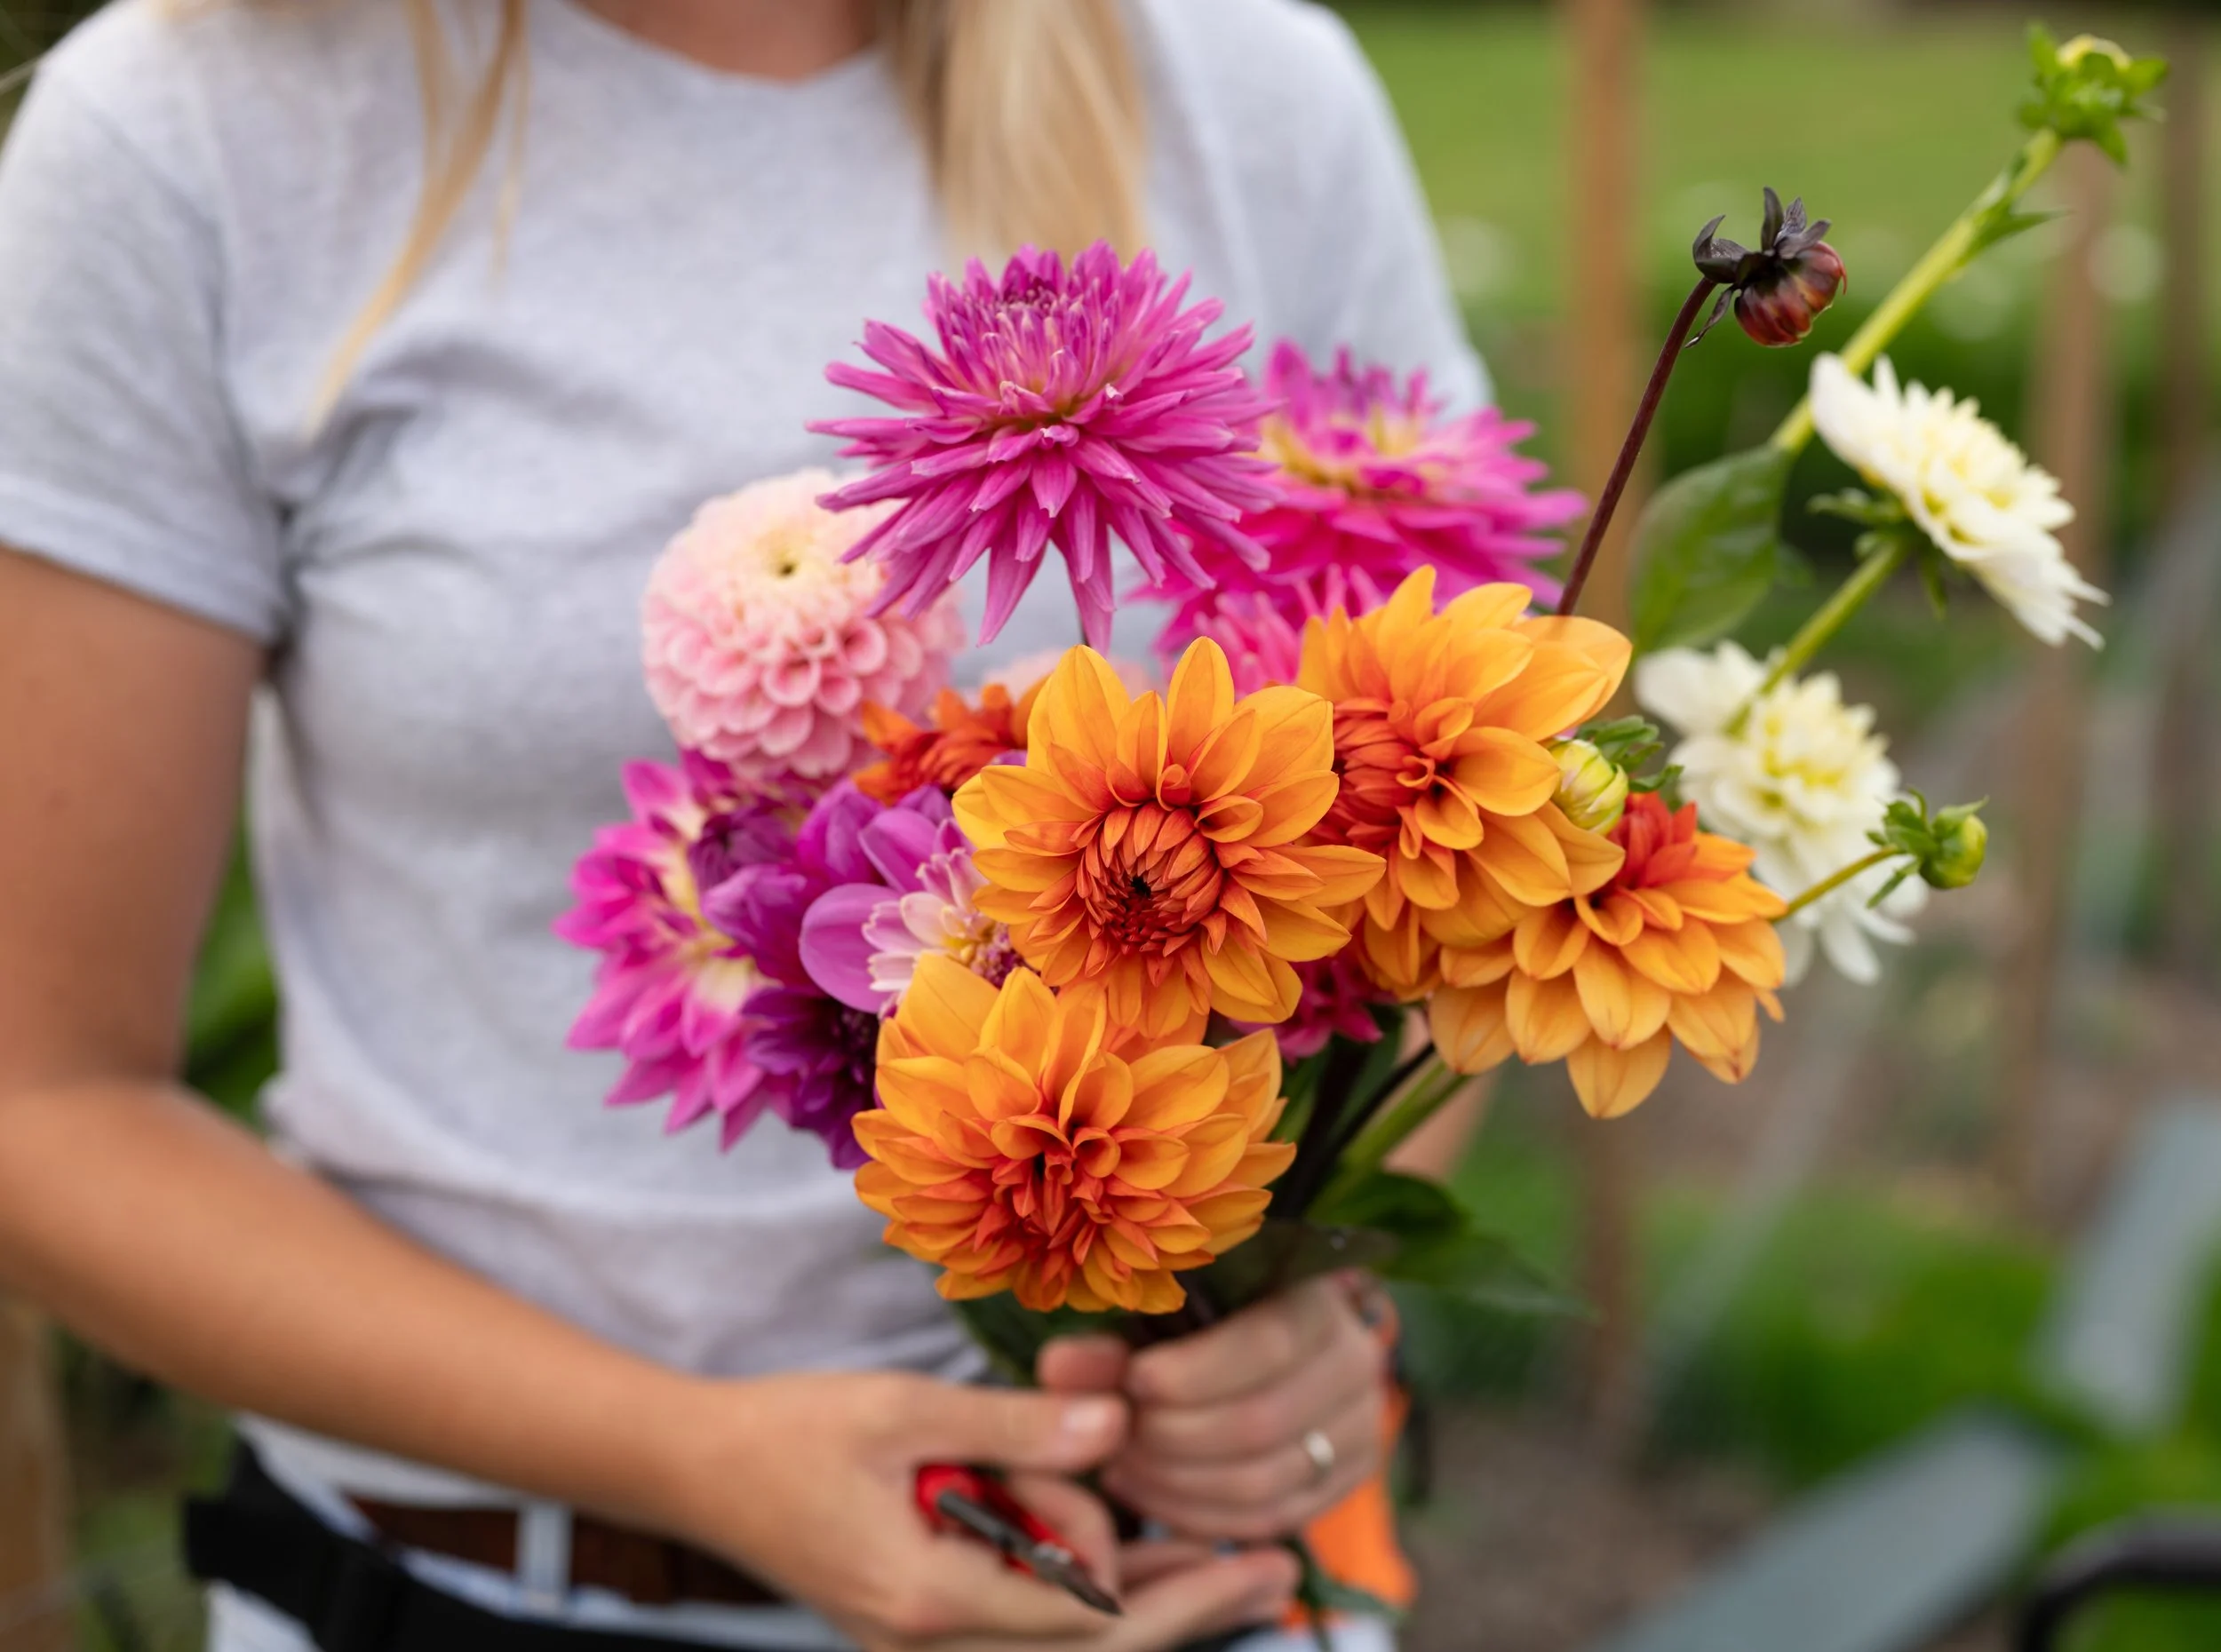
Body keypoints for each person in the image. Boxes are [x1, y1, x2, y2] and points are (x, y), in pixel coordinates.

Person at [0, 2, 1485, 1648]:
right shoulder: (190, 131)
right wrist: (697, 1461)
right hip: (468, 1592)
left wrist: (1310, 1307)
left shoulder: (1251, 89)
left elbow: (1455, 841)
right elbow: (43, 1102)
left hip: (1166, 1591)